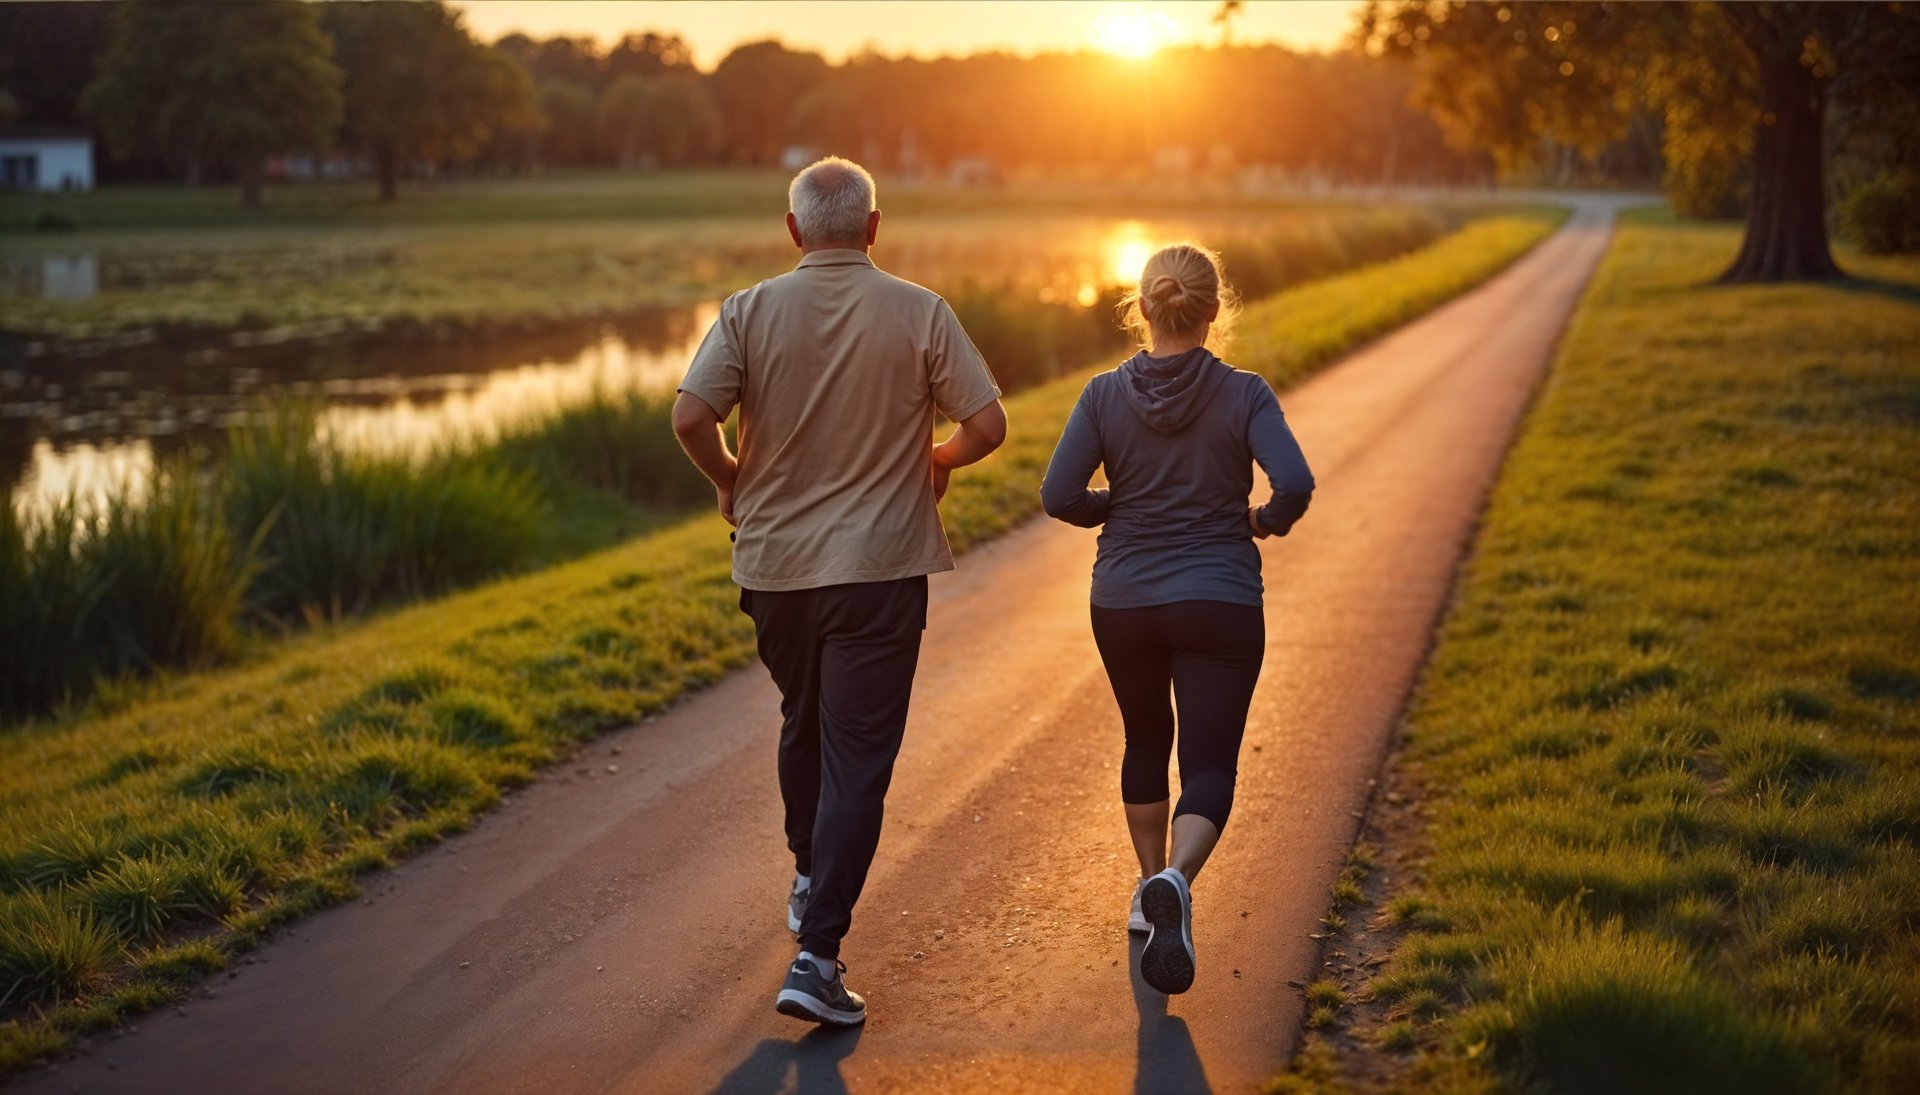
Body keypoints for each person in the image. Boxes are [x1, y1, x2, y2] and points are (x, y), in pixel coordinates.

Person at [671, 157, 1007, 1026]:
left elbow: (687, 416)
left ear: (792, 231)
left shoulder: (746, 311)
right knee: (856, 756)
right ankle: (818, 958)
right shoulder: (920, 310)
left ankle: (807, 875)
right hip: (880, 570)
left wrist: (731, 482)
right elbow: (988, 425)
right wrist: (935, 457)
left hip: (776, 569)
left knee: (803, 718)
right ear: (873, 227)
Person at [1038, 243, 1313, 995]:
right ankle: (1178, 881)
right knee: (1210, 763)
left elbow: (1058, 493)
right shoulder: (1245, 393)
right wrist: (1263, 519)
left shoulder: (1101, 394)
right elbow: (1294, 480)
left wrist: (1112, 509)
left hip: (1122, 598)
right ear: (1213, 310)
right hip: (1219, 596)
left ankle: (1149, 887)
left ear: (1144, 309)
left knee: (1144, 738)